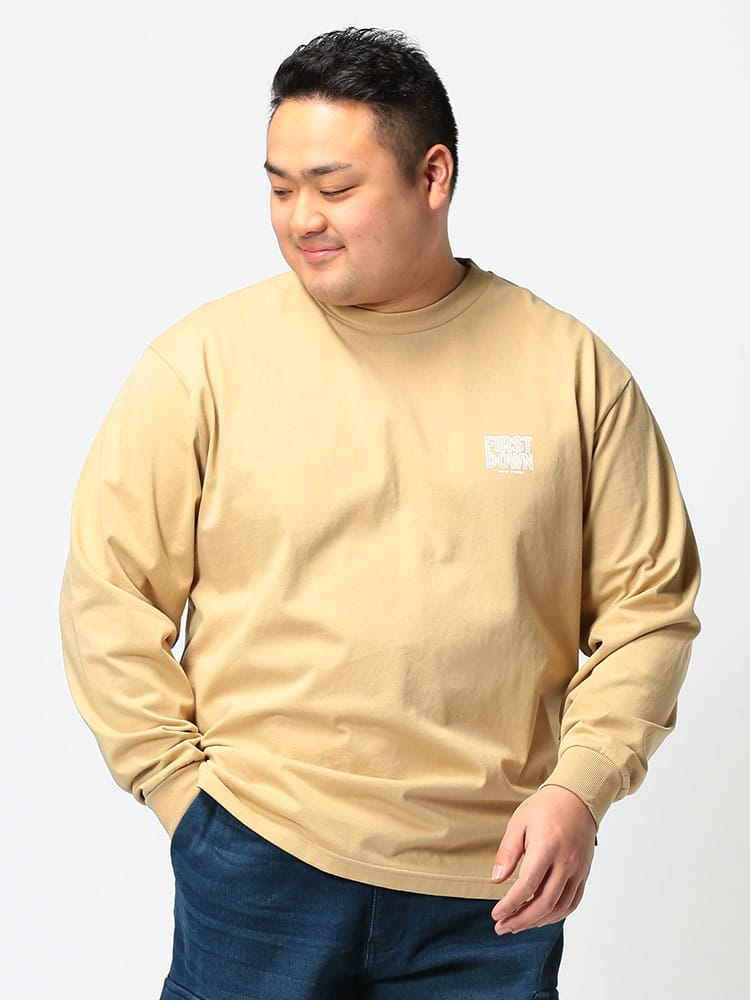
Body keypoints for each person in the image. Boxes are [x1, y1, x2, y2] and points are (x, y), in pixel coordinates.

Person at [60, 26, 701, 1000]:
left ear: (433, 175)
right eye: (280, 188)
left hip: (491, 890)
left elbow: (649, 607)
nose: (302, 218)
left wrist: (582, 785)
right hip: (260, 859)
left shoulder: (572, 373)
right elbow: (107, 592)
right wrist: (185, 799)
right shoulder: (201, 366)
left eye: (334, 186)